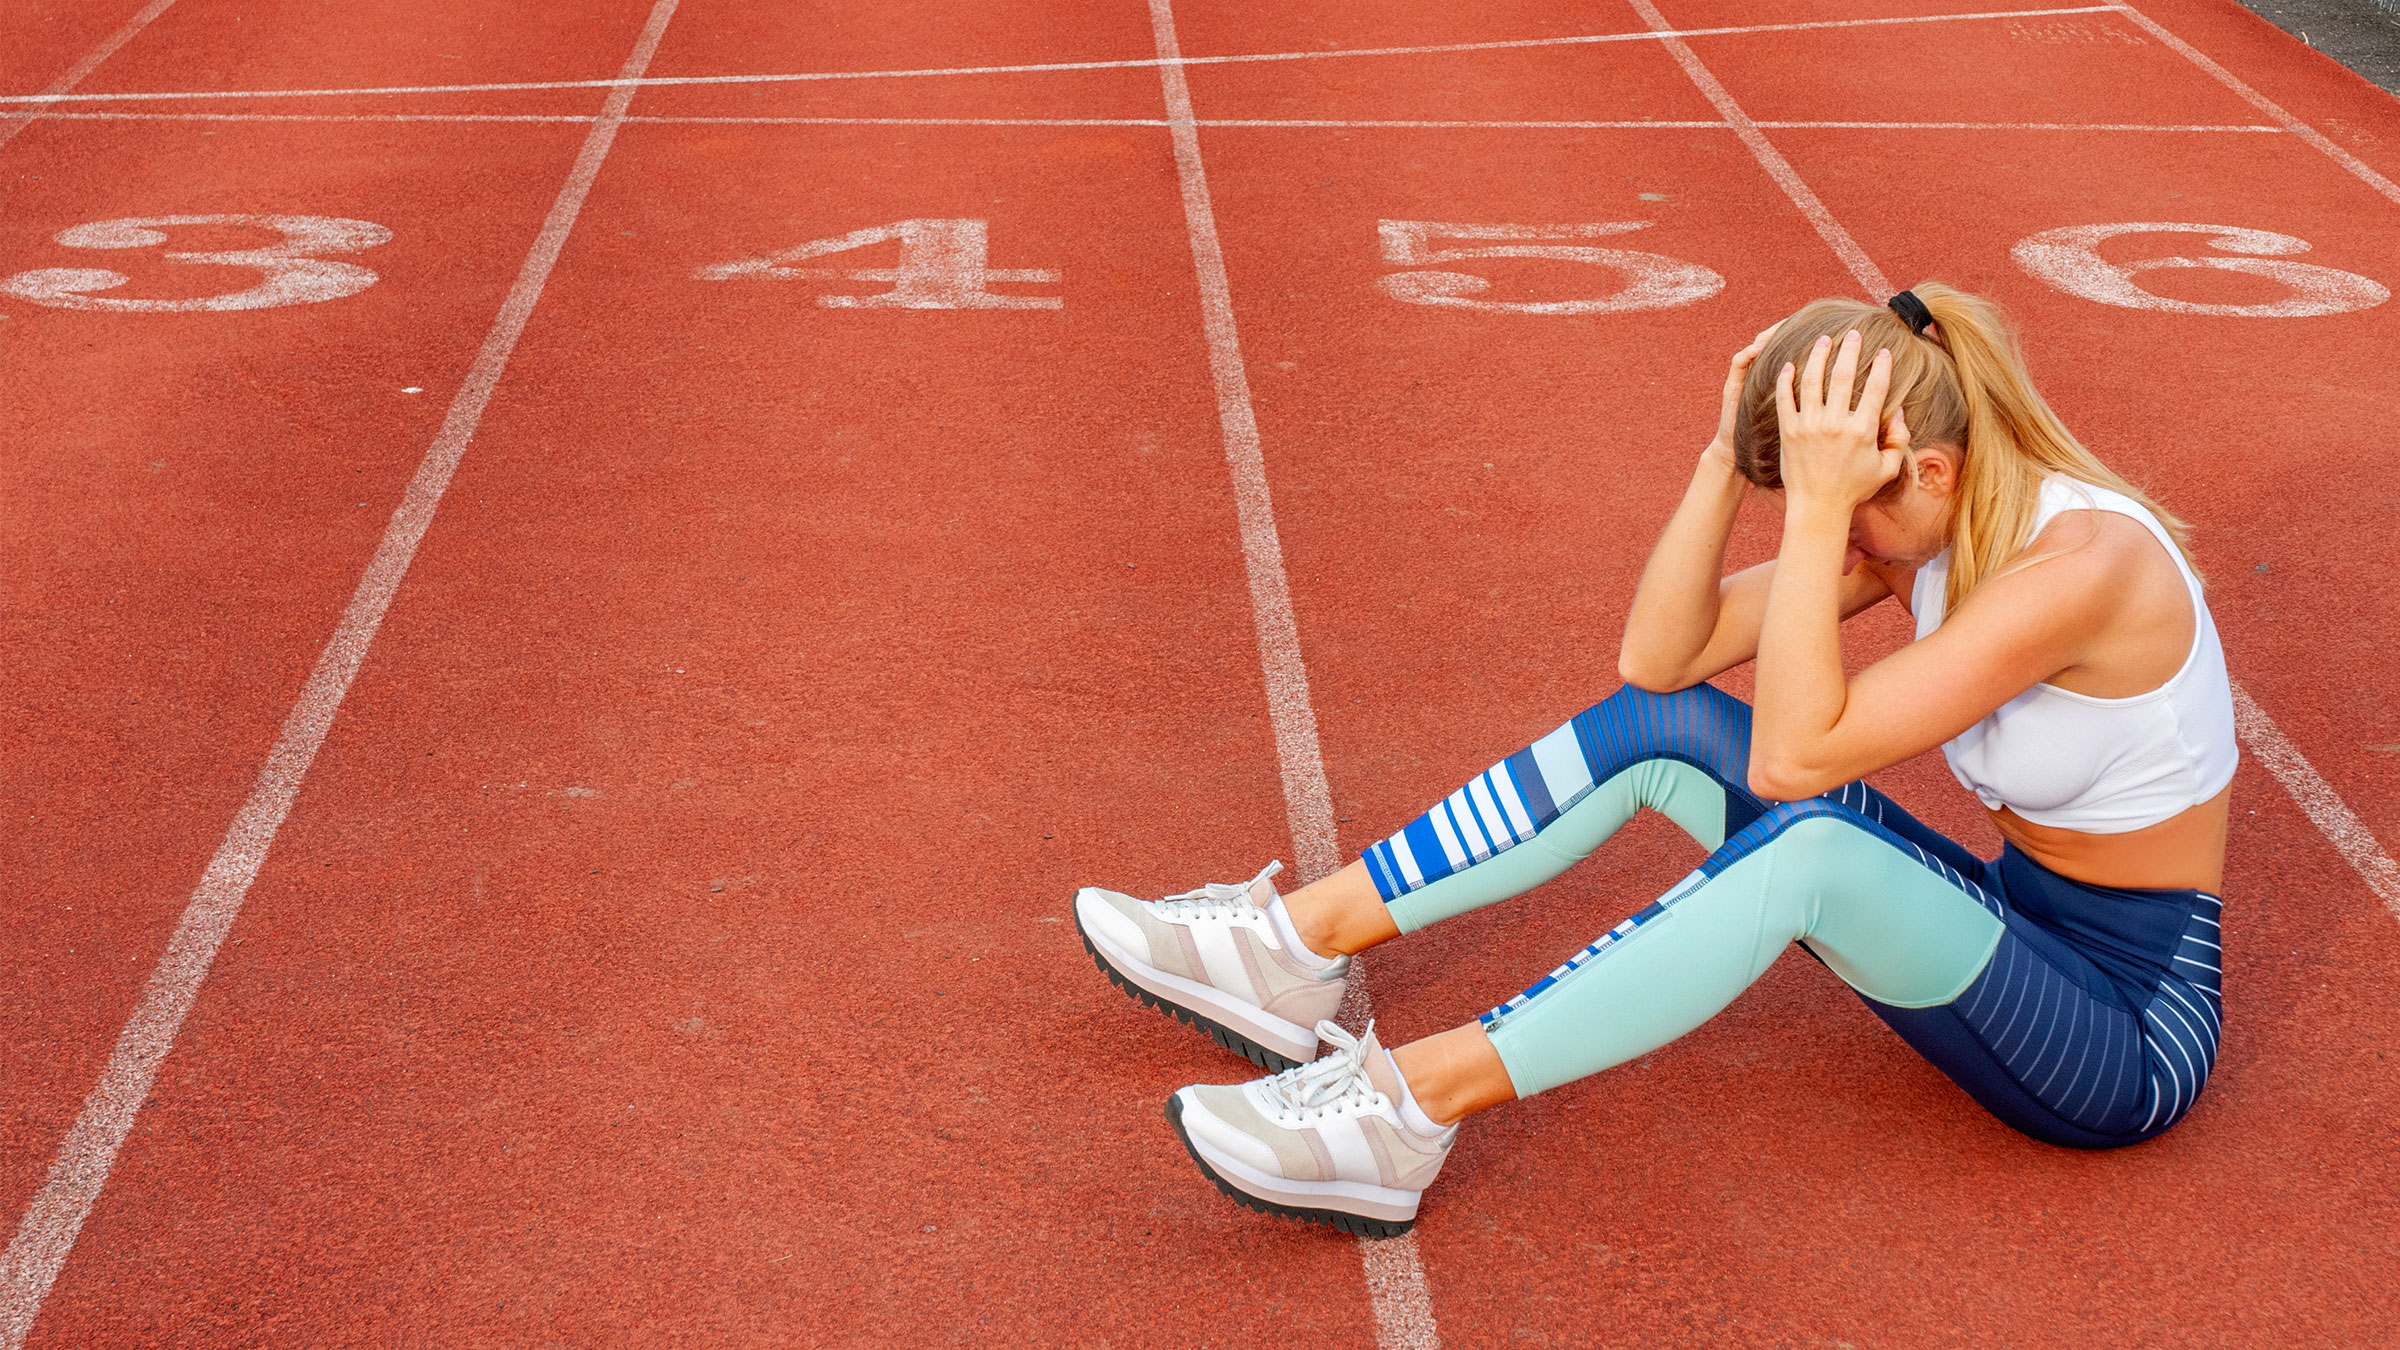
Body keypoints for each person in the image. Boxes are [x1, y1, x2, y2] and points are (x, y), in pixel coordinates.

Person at [1074, 283, 2234, 1237]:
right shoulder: (1929, 524)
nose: (1833, 530)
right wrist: (1726, 460)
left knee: (1812, 845)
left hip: (2126, 1030)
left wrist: (1826, 514)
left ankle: (1406, 1111)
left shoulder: (2083, 569)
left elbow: (1787, 761)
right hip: (2008, 919)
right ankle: (1291, 952)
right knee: (1663, 727)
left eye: (1839, 501)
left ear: (1925, 472)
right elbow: (1659, 659)